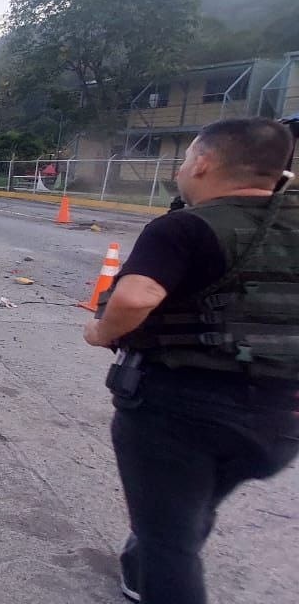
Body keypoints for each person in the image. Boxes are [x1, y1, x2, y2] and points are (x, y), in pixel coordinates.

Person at [83, 117, 299, 604]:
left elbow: (136, 297)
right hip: (279, 421)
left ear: (203, 162)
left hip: (180, 414)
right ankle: (139, 575)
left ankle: (154, 575)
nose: (182, 169)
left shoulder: (186, 227)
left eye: (185, 159)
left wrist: (100, 332)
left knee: (170, 541)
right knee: (184, 512)